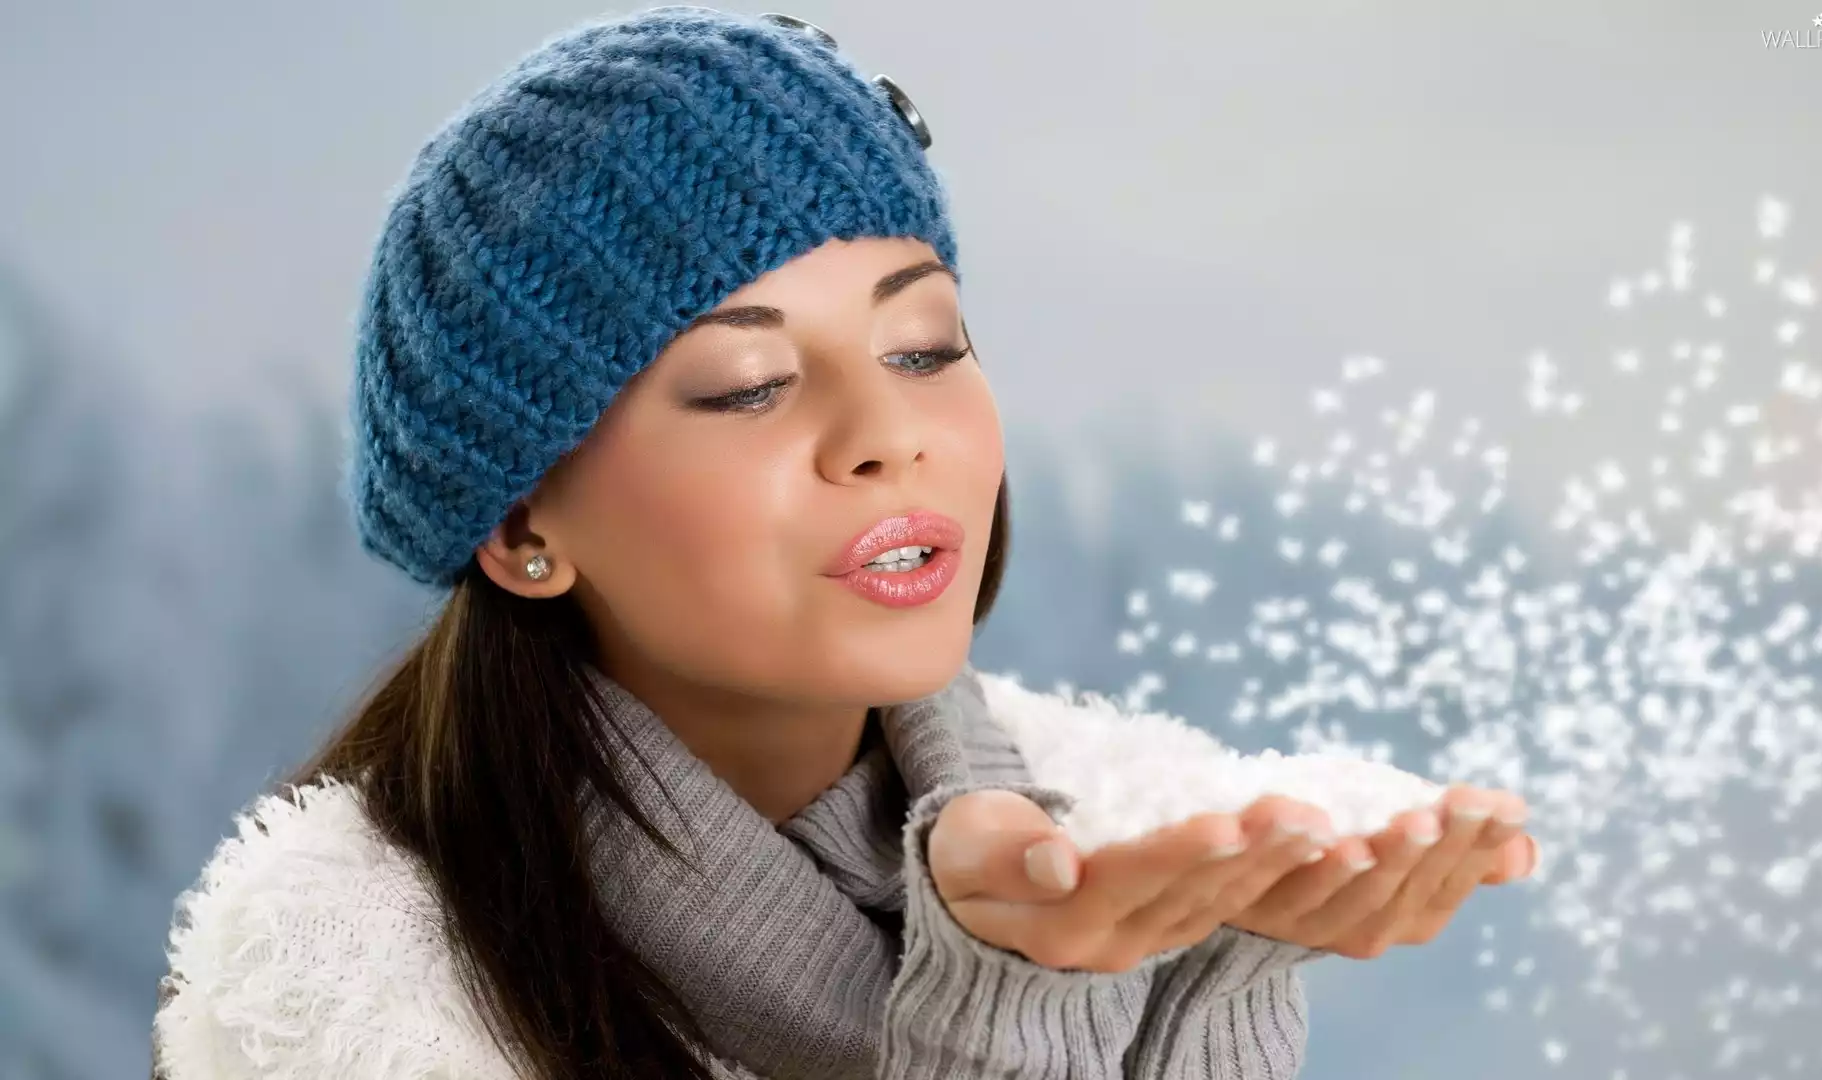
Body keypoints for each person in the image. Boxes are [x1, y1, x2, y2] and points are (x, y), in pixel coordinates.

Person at [150, 7, 1539, 1079]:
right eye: (750, 384)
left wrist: (1208, 981)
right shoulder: (342, 983)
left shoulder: (1126, 821)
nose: (890, 432)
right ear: (522, 525)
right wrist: (1010, 999)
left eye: (925, 344)